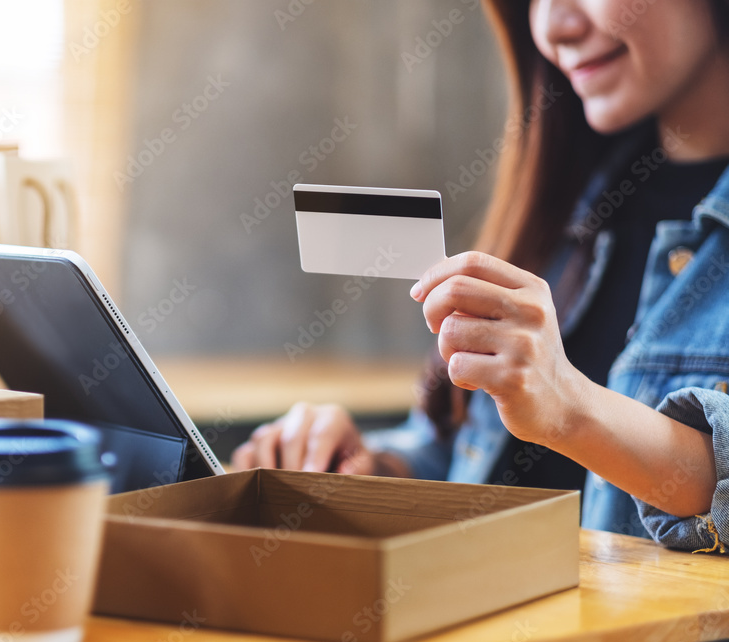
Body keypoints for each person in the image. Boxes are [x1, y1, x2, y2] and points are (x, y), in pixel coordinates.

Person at [232, 0, 729, 554]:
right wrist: (374, 468)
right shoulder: (569, 206)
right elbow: (468, 454)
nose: (552, 28)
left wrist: (572, 407)